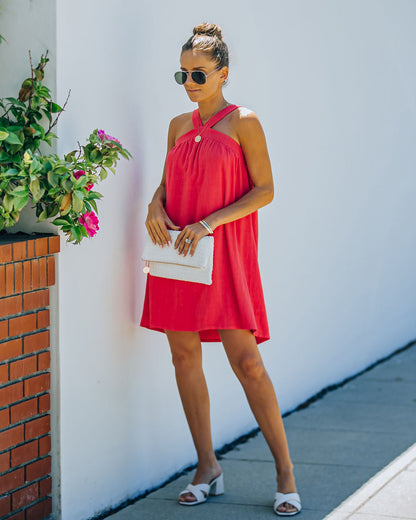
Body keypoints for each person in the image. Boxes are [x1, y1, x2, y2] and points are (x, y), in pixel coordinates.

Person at [140, 23, 301, 516]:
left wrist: (209, 222)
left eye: (199, 73)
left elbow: (265, 189)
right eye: (182, 73)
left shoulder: (244, 122)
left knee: (247, 363)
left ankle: (285, 473)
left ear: (223, 73)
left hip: (225, 255)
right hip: (178, 258)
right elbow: (167, 186)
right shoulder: (176, 126)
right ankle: (207, 466)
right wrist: (153, 204)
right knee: (184, 359)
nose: (189, 82)